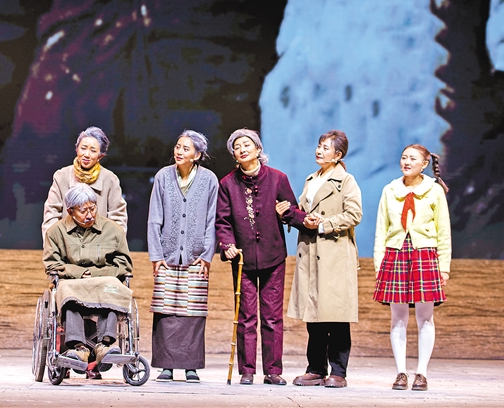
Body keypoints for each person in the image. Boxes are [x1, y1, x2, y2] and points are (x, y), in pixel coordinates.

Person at [216, 128, 302, 386]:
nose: (242, 149)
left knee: (272, 316)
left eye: (247, 145)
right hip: (242, 259)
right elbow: (222, 221)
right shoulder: (227, 184)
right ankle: (247, 370)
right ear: (234, 154)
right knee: (246, 316)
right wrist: (227, 244)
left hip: (272, 256)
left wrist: (288, 213)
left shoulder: (278, 178)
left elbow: (293, 210)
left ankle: (273, 370)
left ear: (258, 149)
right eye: (237, 147)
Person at [281, 130, 362, 388]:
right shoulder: (311, 179)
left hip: (334, 254)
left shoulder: (345, 181)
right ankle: (316, 368)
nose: (319, 150)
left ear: (337, 155)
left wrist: (324, 223)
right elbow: (304, 212)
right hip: (310, 254)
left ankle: (338, 372)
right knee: (314, 314)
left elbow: (354, 214)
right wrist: (293, 214)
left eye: (326, 148)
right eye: (319, 145)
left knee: (336, 315)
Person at [373, 144, 451, 391]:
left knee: (425, 317)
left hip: (424, 254)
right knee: (398, 317)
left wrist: (444, 267)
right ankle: (401, 373)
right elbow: (381, 230)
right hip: (395, 254)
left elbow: (443, 231)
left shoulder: (434, 190)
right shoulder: (390, 190)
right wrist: (379, 265)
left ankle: (422, 373)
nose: (406, 162)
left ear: (424, 164)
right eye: (404, 157)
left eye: (413, 159)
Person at [147, 130, 218, 383]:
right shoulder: (163, 177)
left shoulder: (209, 180)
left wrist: (207, 255)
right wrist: (156, 255)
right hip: (167, 256)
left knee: (193, 314)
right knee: (165, 312)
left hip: (196, 257)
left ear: (197, 155)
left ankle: (190, 367)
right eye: (178, 146)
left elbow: (212, 220)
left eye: (186, 148)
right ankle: (166, 365)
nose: (179, 151)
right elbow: (154, 218)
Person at [43, 183, 133, 380]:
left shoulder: (113, 230)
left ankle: (105, 345)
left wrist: (97, 274)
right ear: (70, 211)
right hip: (73, 285)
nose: (90, 214)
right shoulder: (56, 232)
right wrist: (80, 273)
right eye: (83, 211)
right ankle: (78, 349)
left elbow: (124, 264)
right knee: (66, 291)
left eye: (92, 208)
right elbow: (52, 264)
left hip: (104, 285)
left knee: (113, 287)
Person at [42, 127, 127, 241]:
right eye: (83, 148)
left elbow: (118, 217)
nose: (86, 154)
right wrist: (54, 243)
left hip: (100, 245)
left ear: (100, 156)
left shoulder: (110, 179)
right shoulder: (62, 176)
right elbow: (51, 213)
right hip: (67, 243)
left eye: (93, 150)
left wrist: (110, 245)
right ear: (77, 149)